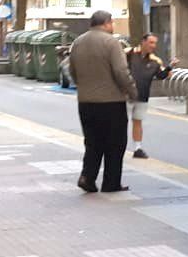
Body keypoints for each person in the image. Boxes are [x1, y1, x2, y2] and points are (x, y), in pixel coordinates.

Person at [69, 11, 137, 194]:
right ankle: (111, 182)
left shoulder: (78, 42)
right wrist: (131, 91)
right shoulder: (111, 42)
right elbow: (121, 71)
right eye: (112, 22)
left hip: (85, 101)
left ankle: (87, 177)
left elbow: (72, 70)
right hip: (111, 101)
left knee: (92, 142)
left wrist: (83, 86)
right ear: (107, 23)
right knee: (115, 143)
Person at [126, 33, 175, 159]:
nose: (153, 46)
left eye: (155, 43)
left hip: (143, 96)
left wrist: (169, 68)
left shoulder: (155, 61)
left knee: (138, 121)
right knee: (120, 122)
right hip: (126, 95)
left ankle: (138, 148)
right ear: (143, 42)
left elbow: (160, 75)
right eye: (151, 42)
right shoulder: (129, 53)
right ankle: (114, 147)